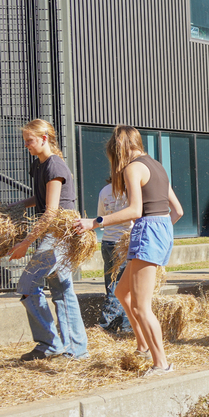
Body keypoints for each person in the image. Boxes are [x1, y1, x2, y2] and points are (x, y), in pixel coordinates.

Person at [76, 124, 184, 375]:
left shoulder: (132, 168)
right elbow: (177, 211)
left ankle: (161, 364)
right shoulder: (156, 165)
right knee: (123, 293)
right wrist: (161, 231)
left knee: (141, 306)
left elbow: (135, 210)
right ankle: (142, 346)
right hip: (159, 229)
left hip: (147, 231)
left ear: (117, 148)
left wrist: (95, 222)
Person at [8, 119, 89, 362]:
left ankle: (50, 344)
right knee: (62, 290)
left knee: (27, 286)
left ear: (44, 138)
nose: (26, 145)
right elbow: (41, 197)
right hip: (51, 234)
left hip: (59, 235)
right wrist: (17, 205)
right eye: (25, 141)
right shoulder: (39, 166)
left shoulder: (55, 167)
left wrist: (24, 244)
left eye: (29, 141)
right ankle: (76, 349)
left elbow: (52, 212)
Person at [95, 181, 133, 335]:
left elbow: (100, 218)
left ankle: (125, 326)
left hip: (107, 241)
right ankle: (107, 326)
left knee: (112, 283)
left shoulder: (104, 190)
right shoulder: (130, 190)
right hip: (124, 242)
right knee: (121, 288)